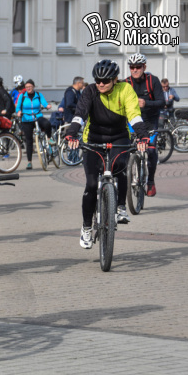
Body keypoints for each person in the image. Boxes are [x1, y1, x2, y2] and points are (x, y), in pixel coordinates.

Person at [65, 60, 149, 249]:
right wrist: (71, 133)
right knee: (91, 184)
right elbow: (80, 113)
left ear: (115, 79)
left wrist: (142, 135)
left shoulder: (125, 89)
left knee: (120, 166)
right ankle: (87, 227)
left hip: (119, 136)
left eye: (105, 80)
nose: (101, 84)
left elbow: (134, 114)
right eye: (98, 80)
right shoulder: (90, 91)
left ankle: (120, 206)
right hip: (93, 138)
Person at [125, 53, 164, 197]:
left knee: (151, 151)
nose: (135, 70)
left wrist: (146, 103)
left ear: (144, 67)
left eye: (138, 67)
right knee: (124, 149)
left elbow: (162, 102)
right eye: (132, 67)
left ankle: (151, 182)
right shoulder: (126, 83)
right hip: (132, 122)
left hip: (150, 122)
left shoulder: (153, 81)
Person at [16, 79, 52, 170]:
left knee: (47, 124)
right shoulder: (22, 96)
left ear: (33, 87)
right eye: (27, 87)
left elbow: (44, 103)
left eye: (30, 86)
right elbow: (18, 107)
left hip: (37, 116)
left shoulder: (38, 95)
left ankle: (49, 139)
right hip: (26, 119)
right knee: (29, 141)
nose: (28, 88)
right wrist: (19, 112)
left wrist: (47, 106)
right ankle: (29, 162)